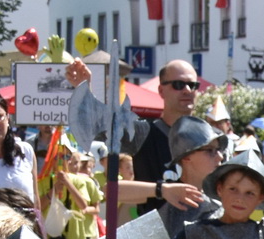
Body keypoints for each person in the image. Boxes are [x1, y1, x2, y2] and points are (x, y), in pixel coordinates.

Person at [63, 57, 205, 216]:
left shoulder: (212, 140)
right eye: (178, 85)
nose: (187, 90)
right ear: (161, 90)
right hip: (160, 235)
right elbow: (99, 124)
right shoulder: (143, 133)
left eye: (193, 85)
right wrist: (84, 90)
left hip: (204, 233)